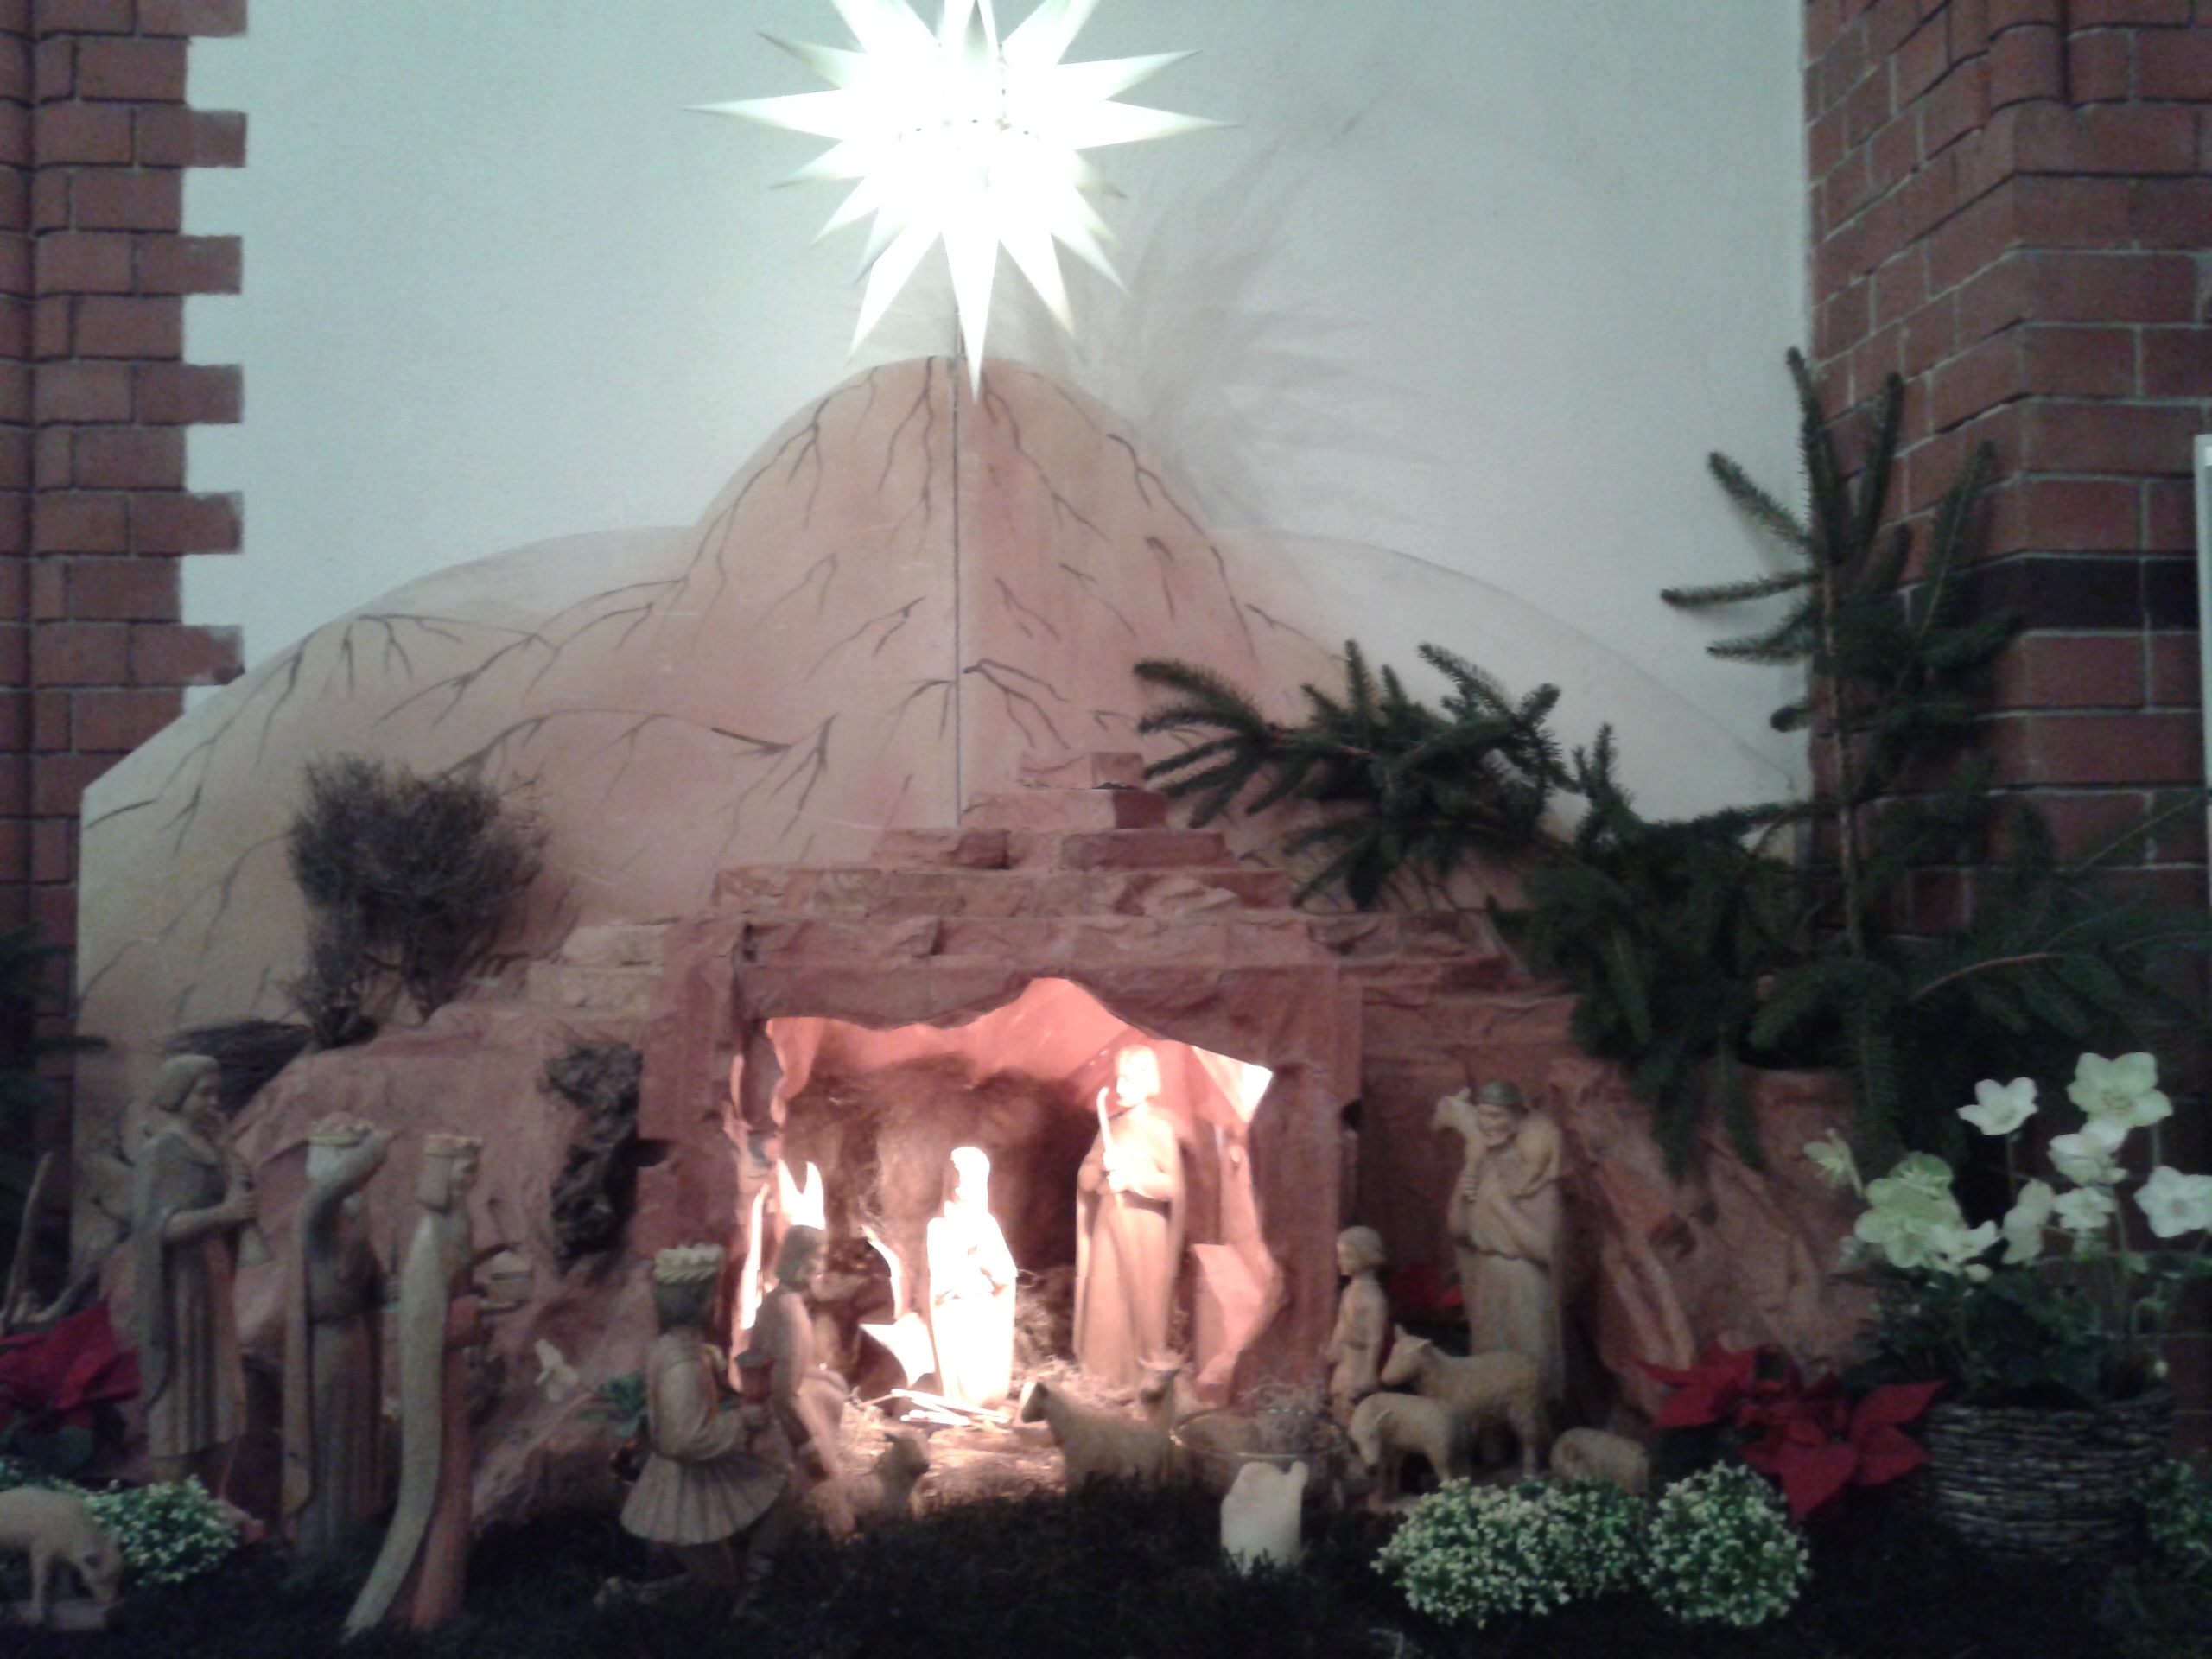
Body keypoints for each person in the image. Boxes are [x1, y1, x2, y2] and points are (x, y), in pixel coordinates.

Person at [346, 1135, 486, 1635]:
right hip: (437, 1388)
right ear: (440, 1176)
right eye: (462, 1170)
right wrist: (469, 1319)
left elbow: (455, 1296)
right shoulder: (431, 1240)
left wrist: (479, 1302)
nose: (470, 1179)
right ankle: (429, 1610)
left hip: (450, 1380)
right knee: (444, 1484)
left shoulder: (457, 1225)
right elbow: (424, 1330)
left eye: (473, 1169)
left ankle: (438, 1601)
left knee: (456, 1482)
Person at [618, 1245, 788, 1604]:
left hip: (690, 1472)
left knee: (776, 1490)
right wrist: (740, 1422)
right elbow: (683, 1440)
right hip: (686, 1485)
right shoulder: (684, 1365)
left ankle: (752, 1583)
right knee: (718, 1587)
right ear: (701, 1304)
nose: (719, 1303)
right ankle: (633, 1598)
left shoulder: (673, 1348)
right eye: (715, 1295)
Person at [130, 1054, 253, 1492]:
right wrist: (222, 1214)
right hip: (179, 1289)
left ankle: (215, 1494)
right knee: (184, 1392)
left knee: (223, 1391)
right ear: (177, 1093)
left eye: (217, 1093)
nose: (213, 1102)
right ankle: (175, 1499)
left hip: (212, 1280)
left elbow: (241, 1198)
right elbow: (156, 1229)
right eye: (204, 1093)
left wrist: (226, 1149)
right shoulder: (162, 1152)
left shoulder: (211, 1149)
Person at [283, 1116, 391, 1555]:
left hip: (355, 1338)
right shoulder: (316, 1210)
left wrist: (385, 1288)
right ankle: (322, 1544)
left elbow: (368, 1280)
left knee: (355, 1438)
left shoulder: (354, 1213)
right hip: (326, 1344)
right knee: (328, 1442)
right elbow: (332, 1187)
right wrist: (375, 1148)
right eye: (344, 1154)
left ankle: (353, 1533)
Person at [1435, 1081, 1564, 1402]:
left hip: (1523, 1282)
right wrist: (1465, 1190)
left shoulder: (1534, 1174)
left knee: (1528, 1367)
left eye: (1497, 1116)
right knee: (1489, 1366)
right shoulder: (1478, 1163)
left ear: (1518, 1119)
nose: (1488, 1124)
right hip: (1488, 1277)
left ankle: (1537, 1426)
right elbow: (1459, 1230)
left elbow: (1544, 1247)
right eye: (1483, 1115)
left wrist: (1502, 1206)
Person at [1074, 1044, 1185, 1389]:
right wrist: (1098, 1169)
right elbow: (1086, 1178)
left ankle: (1142, 1371)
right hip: (1110, 1225)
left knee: (1144, 1299)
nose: (1119, 1087)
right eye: (1117, 1079)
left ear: (1148, 1082)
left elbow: (1173, 1186)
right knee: (1106, 1295)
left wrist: (1131, 1181)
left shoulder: (1159, 1130)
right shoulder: (1110, 1128)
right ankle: (1102, 1376)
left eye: (1128, 1079)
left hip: (1145, 1229)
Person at [746, 1224, 852, 1534]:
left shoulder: (779, 1299)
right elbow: (785, 1392)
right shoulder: (789, 1314)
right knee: (831, 1490)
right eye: (817, 1257)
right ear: (799, 1260)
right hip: (782, 1421)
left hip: (778, 1401)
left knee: (833, 1386)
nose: (822, 1266)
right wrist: (810, 1445)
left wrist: (827, 1379)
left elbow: (788, 1368)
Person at [925, 1147, 1016, 1408]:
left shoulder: (987, 1225)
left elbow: (1005, 1276)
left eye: (969, 1186)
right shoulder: (938, 1227)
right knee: (963, 1373)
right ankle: (964, 1405)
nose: (963, 1192)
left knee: (982, 1367)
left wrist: (985, 1262)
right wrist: (957, 1276)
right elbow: (937, 1282)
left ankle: (985, 1403)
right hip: (955, 1311)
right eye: (957, 1186)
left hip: (981, 1308)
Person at [1324, 1225, 1389, 1423]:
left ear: (1363, 1257)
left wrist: (1370, 1371)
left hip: (1360, 1362)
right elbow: (1342, 1322)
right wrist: (1334, 1347)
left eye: (1346, 1256)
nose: (1339, 1262)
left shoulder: (1373, 1298)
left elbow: (1375, 1339)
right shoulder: (1349, 1291)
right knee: (1339, 1400)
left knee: (1354, 1408)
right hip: (1346, 1359)